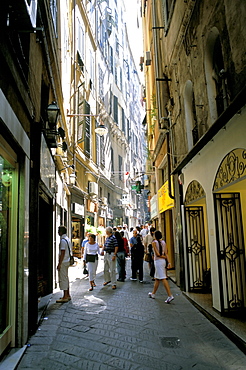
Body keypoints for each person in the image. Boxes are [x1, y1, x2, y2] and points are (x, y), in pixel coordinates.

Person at [148, 230, 174, 303]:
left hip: (158, 261)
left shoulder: (154, 243)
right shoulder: (163, 242)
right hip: (162, 262)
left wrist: (154, 247)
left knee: (163, 278)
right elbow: (166, 253)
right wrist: (169, 262)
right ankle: (153, 293)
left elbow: (157, 254)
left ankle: (170, 295)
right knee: (157, 278)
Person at [56, 225, 72, 303]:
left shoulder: (62, 241)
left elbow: (62, 253)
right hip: (67, 261)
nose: (58, 232)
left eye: (58, 231)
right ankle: (67, 295)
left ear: (61, 232)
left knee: (63, 278)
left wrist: (59, 263)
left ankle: (65, 296)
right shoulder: (67, 239)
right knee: (65, 277)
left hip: (64, 261)